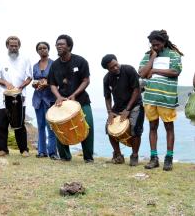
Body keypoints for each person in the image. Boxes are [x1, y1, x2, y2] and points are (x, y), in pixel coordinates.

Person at [139, 30, 183, 171]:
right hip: (150, 98)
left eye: (157, 44)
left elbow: (175, 71)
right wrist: (153, 57)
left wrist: (155, 70)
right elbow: (141, 73)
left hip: (167, 98)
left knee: (169, 128)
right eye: (152, 45)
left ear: (163, 42)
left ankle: (168, 159)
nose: (155, 47)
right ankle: (154, 158)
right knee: (152, 127)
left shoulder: (173, 55)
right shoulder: (148, 55)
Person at [48, 34, 94, 163]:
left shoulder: (80, 61)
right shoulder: (55, 65)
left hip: (81, 100)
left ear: (69, 46)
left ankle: (88, 157)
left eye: (62, 44)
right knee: (59, 126)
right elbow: (52, 84)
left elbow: (86, 80)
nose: (58, 46)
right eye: (57, 44)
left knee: (87, 126)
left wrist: (75, 94)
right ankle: (65, 156)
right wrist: (58, 97)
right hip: (62, 102)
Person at [101, 54, 144, 166]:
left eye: (116, 65)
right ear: (107, 69)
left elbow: (136, 90)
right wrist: (110, 112)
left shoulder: (129, 70)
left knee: (135, 128)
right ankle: (118, 155)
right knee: (109, 128)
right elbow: (107, 97)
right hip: (118, 107)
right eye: (111, 67)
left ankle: (134, 155)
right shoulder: (106, 79)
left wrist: (128, 109)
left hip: (134, 105)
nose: (115, 68)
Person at [0, 36, 32, 157]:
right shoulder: (0, 60)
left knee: (19, 124)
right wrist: (6, 83)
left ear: (19, 46)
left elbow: (29, 77)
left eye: (16, 46)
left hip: (20, 97)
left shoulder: (25, 59)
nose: (14, 48)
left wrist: (21, 87)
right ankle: (3, 149)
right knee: (1, 124)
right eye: (12, 45)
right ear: (7, 46)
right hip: (3, 97)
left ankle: (23, 150)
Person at [32, 41, 58, 160]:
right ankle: (42, 151)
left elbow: (57, 80)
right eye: (40, 48)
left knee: (51, 125)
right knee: (40, 125)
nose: (42, 50)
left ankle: (52, 152)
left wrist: (47, 83)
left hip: (50, 98)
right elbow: (34, 81)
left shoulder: (54, 64)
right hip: (38, 99)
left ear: (48, 50)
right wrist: (35, 84)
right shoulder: (35, 66)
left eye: (45, 48)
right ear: (37, 51)